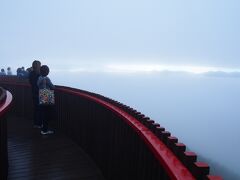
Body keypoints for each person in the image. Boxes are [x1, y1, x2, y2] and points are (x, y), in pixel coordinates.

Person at [37, 65, 55, 135]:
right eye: (48, 70)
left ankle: (43, 127)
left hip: (41, 96)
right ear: (46, 72)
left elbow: (38, 85)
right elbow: (52, 87)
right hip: (47, 96)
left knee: (43, 112)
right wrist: (54, 87)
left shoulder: (39, 78)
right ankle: (45, 130)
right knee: (47, 114)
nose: (48, 71)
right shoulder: (46, 79)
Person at [29, 60, 42, 128]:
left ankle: (36, 123)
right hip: (39, 93)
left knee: (36, 109)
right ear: (37, 66)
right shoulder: (38, 75)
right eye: (39, 65)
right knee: (39, 109)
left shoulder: (31, 74)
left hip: (34, 93)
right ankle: (39, 124)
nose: (40, 66)